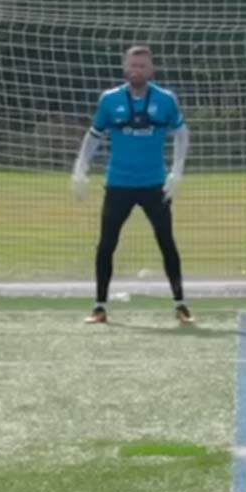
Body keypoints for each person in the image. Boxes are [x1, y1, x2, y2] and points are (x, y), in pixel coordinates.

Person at [70, 45, 192, 325]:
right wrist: (80, 169)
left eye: (142, 66)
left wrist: (177, 170)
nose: (136, 70)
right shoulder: (110, 100)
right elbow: (94, 135)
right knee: (106, 244)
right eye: (132, 65)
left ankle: (181, 304)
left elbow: (182, 133)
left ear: (151, 69)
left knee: (166, 242)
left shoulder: (165, 100)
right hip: (118, 183)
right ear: (125, 67)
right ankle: (99, 307)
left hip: (154, 184)